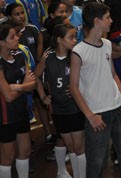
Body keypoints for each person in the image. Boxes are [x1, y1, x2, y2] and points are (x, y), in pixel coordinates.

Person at [69, 3, 121, 178]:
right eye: (108, 17)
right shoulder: (78, 51)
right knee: (96, 163)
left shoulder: (107, 44)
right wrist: (90, 116)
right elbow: (73, 87)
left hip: (118, 109)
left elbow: (113, 74)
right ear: (97, 21)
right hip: (97, 114)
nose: (111, 20)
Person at [35, 23, 86, 178]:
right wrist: (43, 96)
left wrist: (79, 89)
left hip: (75, 107)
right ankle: (67, 172)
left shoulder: (76, 55)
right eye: (70, 37)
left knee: (78, 147)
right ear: (59, 40)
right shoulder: (48, 58)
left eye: (75, 37)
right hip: (58, 109)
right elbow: (35, 76)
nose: (75, 40)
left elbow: (88, 77)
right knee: (70, 146)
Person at [0, 23, 36, 178]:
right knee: (8, 157)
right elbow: (7, 96)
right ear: (2, 42)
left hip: (21, 111)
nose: (17, 38)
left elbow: (33, 83)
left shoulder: (20, 56)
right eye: (12, 36)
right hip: (5, 116)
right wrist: (23, 86)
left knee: (25, 151)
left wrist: (16, 87)